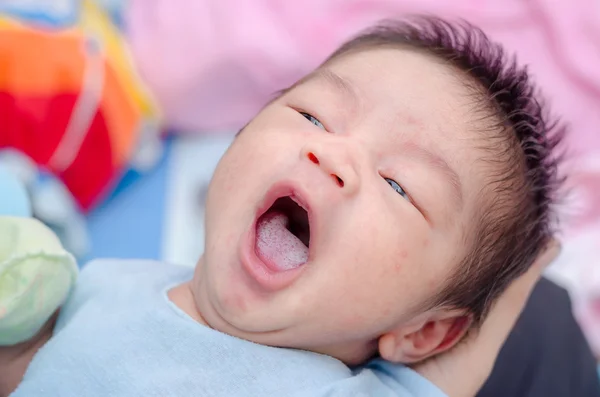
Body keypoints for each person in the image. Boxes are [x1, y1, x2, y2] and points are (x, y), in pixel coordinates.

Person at [1, 16, 568, 396]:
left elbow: (457, 371)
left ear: (421, 335)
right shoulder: (107, 283)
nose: (331, 154)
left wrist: (527, 266)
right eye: (312, 117)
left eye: (399, 184)